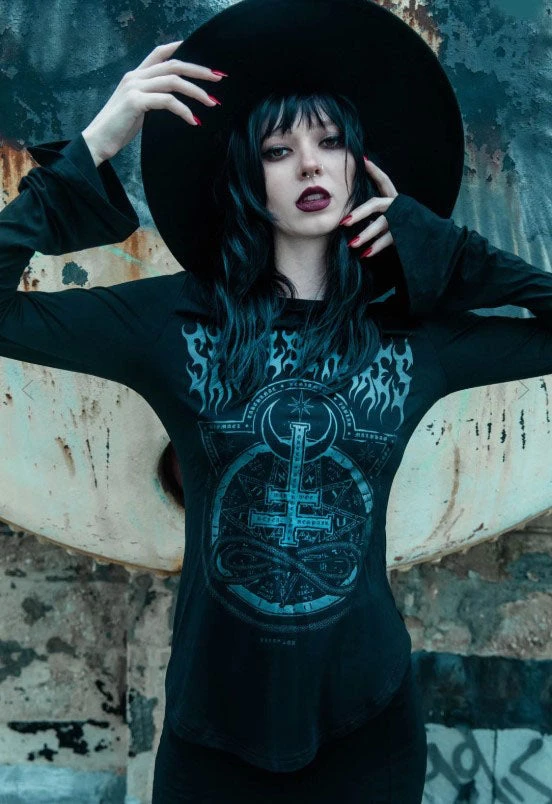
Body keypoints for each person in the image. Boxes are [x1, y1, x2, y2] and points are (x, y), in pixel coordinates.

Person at [3, 1, 552, 802]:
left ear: (360, 165)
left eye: (330, 143)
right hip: (212, 738)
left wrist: (448, 249)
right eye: (279, 150)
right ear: (249, 177)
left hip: (366, 732)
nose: (309, 167)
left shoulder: (414, 340)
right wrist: (97, 143)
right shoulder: (173, 322)